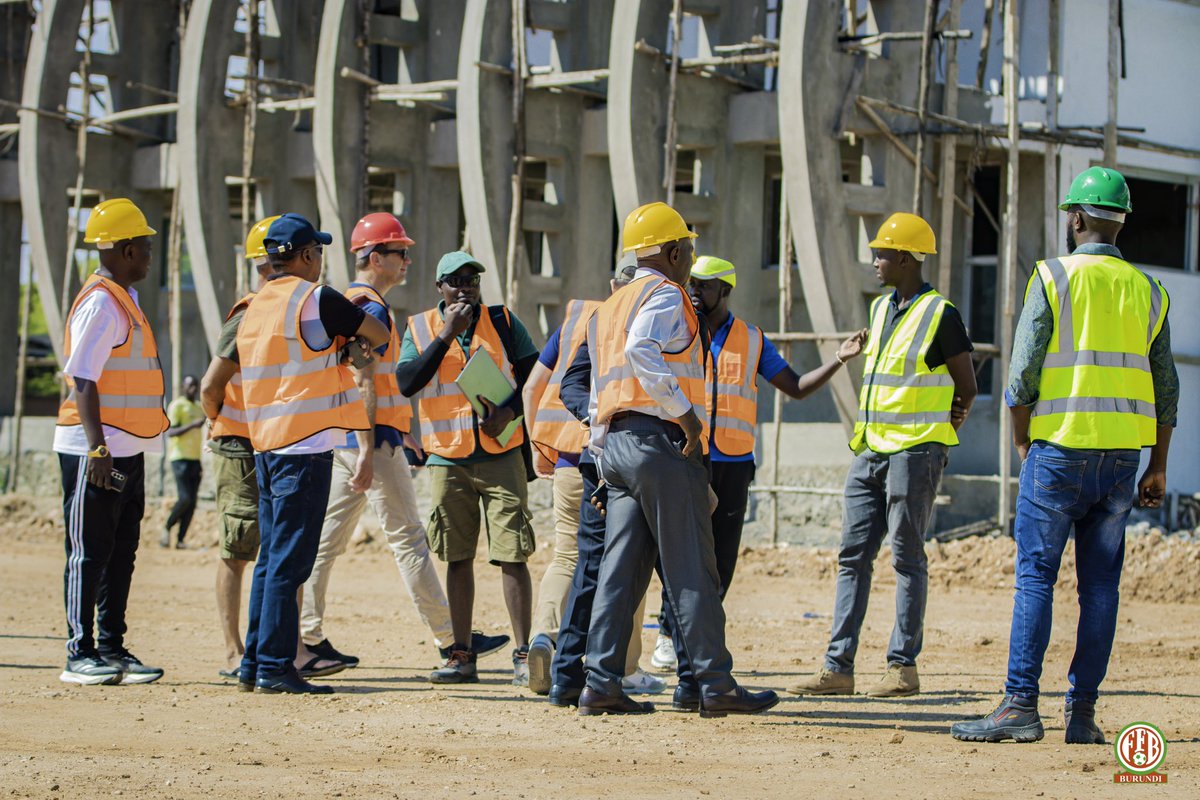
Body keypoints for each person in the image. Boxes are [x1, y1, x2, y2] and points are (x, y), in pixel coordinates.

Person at [952, 168, 1178, 744]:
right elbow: (1166, 388)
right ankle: (1081, 715)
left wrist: (1022, 439)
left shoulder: (1053, 276)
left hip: (1059, 453)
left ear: (1076, 218)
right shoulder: (1150, 291)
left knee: (1035, 579)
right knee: (1100, 588)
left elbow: (1023, 369)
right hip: (1123, 459)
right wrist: (1158, 464)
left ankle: (1021, 706)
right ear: (1120, 221)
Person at [577, 201, 779, 717]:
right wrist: (686, 416)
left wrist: (602, 458)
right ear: (671, 252)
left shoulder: (610, 306)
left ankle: (600, 682)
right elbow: (645, 351)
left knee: (619, 573)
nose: (691, 258)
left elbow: (603, 386)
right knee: (693, 566)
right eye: (687, 249)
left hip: (618, 448)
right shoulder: (665, 295)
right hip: (661, 445)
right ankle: (715, 685)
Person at [300, 214, 508, 667]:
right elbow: (363, 381)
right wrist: (373, 443)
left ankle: (305, 637)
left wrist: (401, 427)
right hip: (369, 443)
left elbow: (376, 383)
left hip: (353, 438)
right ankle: (452, 638)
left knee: (324, 543)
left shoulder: (354, 301)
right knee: (409, 539)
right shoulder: (371, 308)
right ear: (376, 258)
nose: (408, 260)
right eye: (400, 252)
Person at [648, 257, 866, 682]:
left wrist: (839, 359)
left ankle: (692, 641)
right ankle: (668, 633)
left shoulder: (752, 339)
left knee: (722, 560)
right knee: (674, 549)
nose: (693, 291)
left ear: (725, 291)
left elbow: (797, 387)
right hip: (686, 457)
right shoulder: (677, 329)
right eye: (691, 283)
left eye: (704, 286)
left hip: (732, 463)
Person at [788, 212, 976, 700]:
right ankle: (838, 668)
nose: (875, 261)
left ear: (908, 259)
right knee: (853, 555)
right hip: (870, 448)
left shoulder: (942, 314)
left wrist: (939, 433)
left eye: (883, 253)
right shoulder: (879, 311)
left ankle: (902, 668)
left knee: (907, 556)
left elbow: (967, 386)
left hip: (915, 452)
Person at [236, 213, 389, 695]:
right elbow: (378, 334)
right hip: (305, 445)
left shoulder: (256, 304)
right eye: (317, 252)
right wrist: (351, 344)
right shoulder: (315, 297)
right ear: (304, 256)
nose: (321, 261)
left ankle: (254, 662)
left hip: (267, 442)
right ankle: (277, 668)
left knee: (270, 560)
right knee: (290, 562)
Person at [397, 251, 540, 686]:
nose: (465, 288)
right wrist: (446, 335)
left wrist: (507, 410)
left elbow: (536, 379)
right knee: (457, 557)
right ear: (439, 288)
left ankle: (521, 654)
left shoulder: (503, 322)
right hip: (447, 458)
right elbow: (407, 383)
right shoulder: (420, 328)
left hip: (501, 452)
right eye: (455, 281)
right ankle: (461, 655)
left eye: (472, 280)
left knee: (512, 554)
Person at [523, 261, 664, 697]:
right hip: (616, 457)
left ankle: (545, 638)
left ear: (611, 286)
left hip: (566, 460)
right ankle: (624, 666)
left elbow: (533, 388)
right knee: (627, 560)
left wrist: (535, 445)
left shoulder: (577, 321)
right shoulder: (643, 321)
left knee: (570, 556)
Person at [54, 197, 170, 685]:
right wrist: (97, 447)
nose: (148, 256)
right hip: (95, 450)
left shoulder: (125, 299)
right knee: (89, 550)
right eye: (144, 248)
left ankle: (111, 647)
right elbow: (82, 378)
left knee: (122, 549)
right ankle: (79, 653)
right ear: (124, 250)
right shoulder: (102, 302)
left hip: (127, 446)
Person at [200, 215, 276, 679]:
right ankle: (233, 650)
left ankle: (275, 645)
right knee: (238, 547)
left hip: (275, 442)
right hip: (239, 443)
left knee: (277, 549)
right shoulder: (248, 312)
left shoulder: (289, 310)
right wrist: (219, 423)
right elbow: (212, 385)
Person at [161, 375, 206, 548]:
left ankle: (180, 539)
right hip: (179, 457)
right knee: (185, 497)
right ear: (182, 388)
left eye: (195, 386)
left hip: (195, 458)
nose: (193, 389)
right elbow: (171, 432)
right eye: (189, 386)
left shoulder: (198, 407)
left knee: (192, 501)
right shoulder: (177, 406)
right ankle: (167, 526)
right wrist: (192, 426)